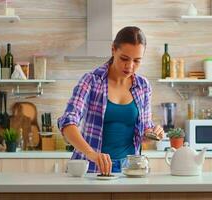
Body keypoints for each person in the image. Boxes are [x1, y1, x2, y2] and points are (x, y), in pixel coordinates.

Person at [58, 26, 164, 175]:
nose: (130, 66)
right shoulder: (91, 81)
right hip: (92, 169)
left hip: (130, 171)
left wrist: (153, 133)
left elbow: (143, 133)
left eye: (137, 61)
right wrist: (92, 155)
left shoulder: (143, 86)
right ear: (113, 49)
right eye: (124, 59)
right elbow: (67, 123)